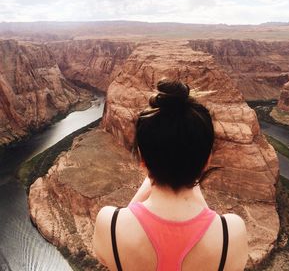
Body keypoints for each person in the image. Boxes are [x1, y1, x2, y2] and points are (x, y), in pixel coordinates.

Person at [93, 80, 248, 271]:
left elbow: (113, 242)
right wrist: (190, 171)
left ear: (142, 159)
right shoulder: (230, 234)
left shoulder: (110, 224)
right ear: (207, 160)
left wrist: (153, 170)